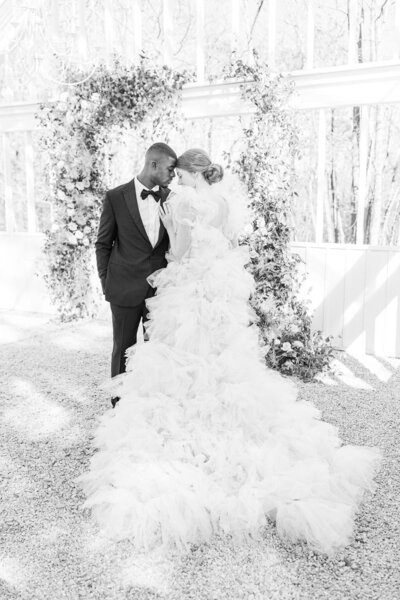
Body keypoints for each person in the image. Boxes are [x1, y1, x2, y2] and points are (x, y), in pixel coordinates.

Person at [80, 148, 381, 555]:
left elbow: (178, 254)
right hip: (219, 297)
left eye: (179, 176)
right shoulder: (222, 203)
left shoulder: (184, 202)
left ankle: (176, 432)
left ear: (188, 173)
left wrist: (169, 233)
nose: (175, 182)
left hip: (188, 296)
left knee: (179, 360)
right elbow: (227, 246)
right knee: (218, 362)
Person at [95, 142, 177, 407]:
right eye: (170, 169)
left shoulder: (173, 198)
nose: (173, 175)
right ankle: (120, 405)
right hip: (123, 287)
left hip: (161, 290)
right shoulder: (115, 197)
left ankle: (151, 403)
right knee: (123, 348)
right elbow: (103, 244)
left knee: (157, 349)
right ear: (153, 164)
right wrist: (106, 281)